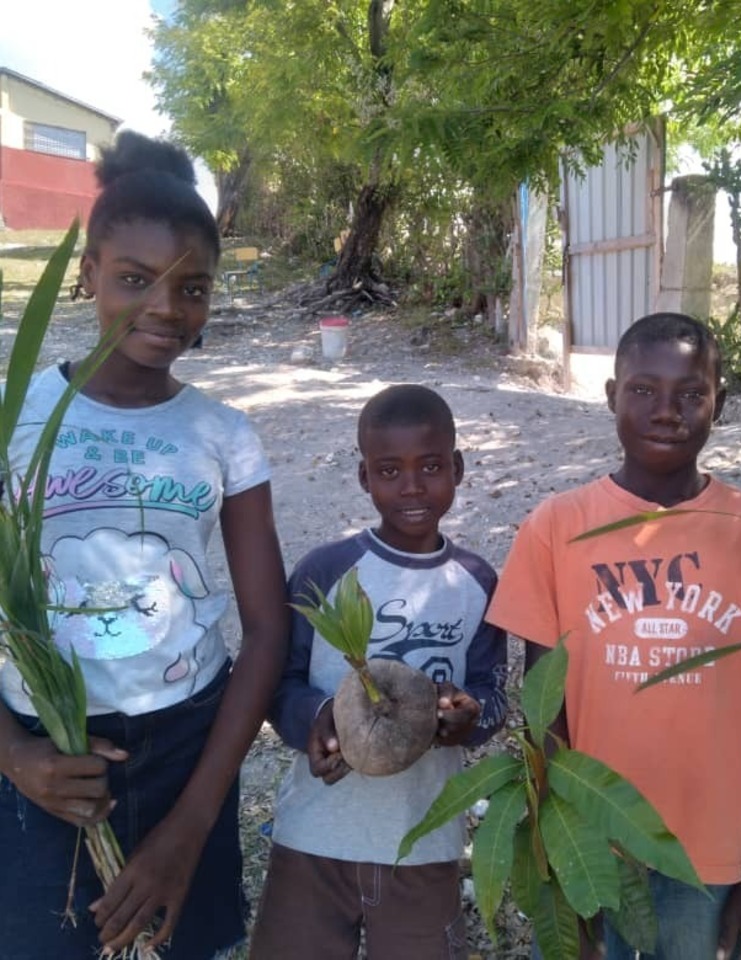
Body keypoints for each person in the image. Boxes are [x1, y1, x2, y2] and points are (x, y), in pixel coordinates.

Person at [0, 131, 289, 959]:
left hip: (183, 751)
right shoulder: (13, 414)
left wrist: (190, 828)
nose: (166, 309)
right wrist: (14, 754)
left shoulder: (223, 436)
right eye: (135, 279)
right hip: (41, 760)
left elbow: (266, 631)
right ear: (87, 273)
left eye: (192, 287)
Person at [487, 312, 741, 960]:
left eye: (691, 393)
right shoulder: (555, 527)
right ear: (611, 397)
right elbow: (542, 712)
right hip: (592, 846)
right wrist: (561, 867)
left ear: (718, 403)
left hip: (713, 857)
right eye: (643, 390)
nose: (667, 410)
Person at [249, 383, 508, 960]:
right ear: (364, 477)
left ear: (458, 468)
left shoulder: (476, 583)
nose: (412, 486)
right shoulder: (328, 569)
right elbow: (281, 682)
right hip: (316, 836)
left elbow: (492, 693)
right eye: (389, 470)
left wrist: (468, 719)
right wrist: (317, 719)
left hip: (422, 843)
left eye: (431, 466)